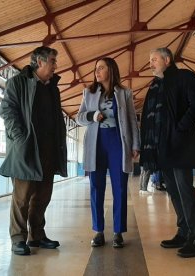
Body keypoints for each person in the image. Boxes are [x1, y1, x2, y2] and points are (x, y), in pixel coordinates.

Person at [0, 46, 67, 255]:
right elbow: (8, 110)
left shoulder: (52, 88)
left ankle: (36, 235)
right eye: (53, 61)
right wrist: (20, 138)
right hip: (27, 149)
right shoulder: (18, 82)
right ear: (40, 62)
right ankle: (18, 238)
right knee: (22, 197)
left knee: (43, 195)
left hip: (49, 150)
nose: (55, 66)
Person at [140, 48, 195, 258]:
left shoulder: (185, 77)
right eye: (149, 60)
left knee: (185, 189)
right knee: (173, 191)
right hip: (162, 148)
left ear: (167, 60)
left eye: (154, 59)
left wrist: (180, 129)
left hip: (180, 144)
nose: (150, 64)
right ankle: (184, 230)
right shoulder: (155, 86)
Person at [76, 57, 140, 248]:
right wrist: (92, 115)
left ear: (111, 70)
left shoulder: (125, 93)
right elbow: (79, 117)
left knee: (120, 186)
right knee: (96, 186)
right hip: (96, 142)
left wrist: (135, 144)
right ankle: (98, 231)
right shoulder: (88, 92)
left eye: (101, 68)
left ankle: (118, 231)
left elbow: (131, 120)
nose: (97, 71)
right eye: (96, 68)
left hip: (118, 142)